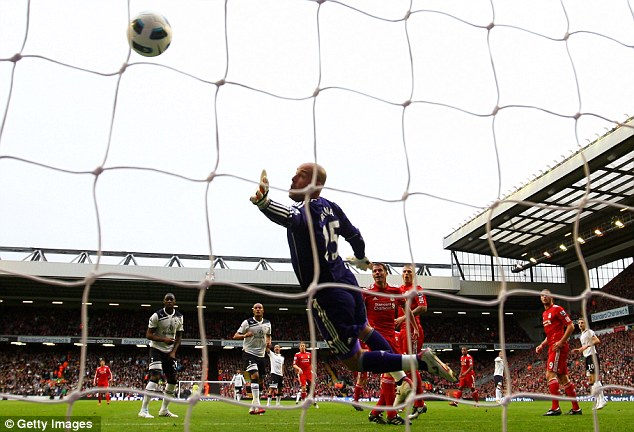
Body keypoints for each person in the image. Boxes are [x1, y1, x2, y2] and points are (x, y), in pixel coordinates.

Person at [249, 163, 456, 386]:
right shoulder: (332, 208)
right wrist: (360, 257)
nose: (292, 178)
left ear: (315, 184)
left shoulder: (303, 212)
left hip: (328, 294)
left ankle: (420, 361)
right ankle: (401, 380)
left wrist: (264, 203)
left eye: (300, 175)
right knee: (365, 330)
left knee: (354, 362)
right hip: (349, 284)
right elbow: (355, 236)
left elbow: (289, 216)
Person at [364, 262, 413, 425]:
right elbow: (359, 313)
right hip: (376, 339)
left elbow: (406, 308)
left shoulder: (395, 291)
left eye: (380, 270)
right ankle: (392, 415)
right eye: (374, 271)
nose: (377, 273)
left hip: (393, 338)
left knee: (390, 376)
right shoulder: (367, 293)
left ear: (386, 273)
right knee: (393, 373)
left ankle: (375, 413)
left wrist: (408, 322)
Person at [535, 289, 582, 416]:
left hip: (558, 347)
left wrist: (561, 341)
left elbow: (571, 326)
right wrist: (542, 345)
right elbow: (549, 335)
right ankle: (576, 408)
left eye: (547, 295)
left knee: (550, 374)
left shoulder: (557, 309)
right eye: (542, 295)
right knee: (563, 378)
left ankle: (555, 408)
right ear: (540, 299)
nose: (544, 297)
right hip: (552, 345)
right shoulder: (545, 314)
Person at [138, 292, 183, 419]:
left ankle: (164, 410)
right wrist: (163, 340)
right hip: (156, 349)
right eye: (167, 300)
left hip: (169, 351)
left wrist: (173, 351)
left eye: (171, 300)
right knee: (156, 376)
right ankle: (143, 410)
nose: (169, 301)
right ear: (164, 301)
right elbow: (148, 335)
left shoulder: (179, 317)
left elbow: (179, 336)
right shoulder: (156, 316)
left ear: (175, 302)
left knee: (173, 380)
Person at [397, 263, 428, 419]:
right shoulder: (398, 291)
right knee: (404, 366)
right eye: (404, 272)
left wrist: (403, 317)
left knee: (410, 365)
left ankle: (419, 404)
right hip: (401, 331)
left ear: (414, 275)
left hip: (413, 331)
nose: (407, 274)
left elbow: (423, 308)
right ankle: (416, 403)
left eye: (409, 272)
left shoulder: (418, 289)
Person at [233, 302, 272, 415]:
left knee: (260, 382)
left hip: (261, 355)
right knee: (255, 375)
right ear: (253, 310)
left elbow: (268, 335)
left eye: (260, 308)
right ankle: (258, 406)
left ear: (263, 310)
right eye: (256, 308)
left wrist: (269, 341)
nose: (258, 309)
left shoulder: (267, 323)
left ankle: (252, 406)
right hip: (249, 353)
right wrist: (244, 335)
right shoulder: (247, 322)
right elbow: (235, 336)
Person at [573, 318, 607, 410]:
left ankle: (602, 400)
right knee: (591, 381)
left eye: (582, 323)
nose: (580, 324)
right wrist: (581, 349)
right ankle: (598, 400)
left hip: (592, 356)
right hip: (587, 357)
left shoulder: (589, 331)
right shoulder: (582, 335)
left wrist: (586, 346)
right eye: (579, 323)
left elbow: (597, 340)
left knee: (594, 378)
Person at [293, 341, 319, 408]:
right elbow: (294, 365)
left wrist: (314, 371)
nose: (302, 347)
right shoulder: (297, 355)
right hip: (302, 373)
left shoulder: (309, 354)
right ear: (299, 347)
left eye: (303, 346)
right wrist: (299, 369)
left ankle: (314, 402)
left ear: (305, 347)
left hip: (309, 373)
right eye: (301, 346)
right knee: (304, 388)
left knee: (312, 388)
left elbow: (311, 364)